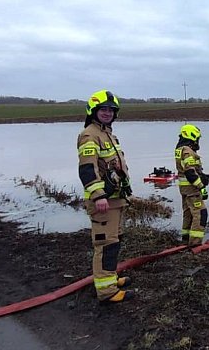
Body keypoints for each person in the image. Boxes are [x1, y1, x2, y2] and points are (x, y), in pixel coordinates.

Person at [77, 90, 133, 303]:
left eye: (111, 109)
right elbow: (87, 169)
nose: (108, 113)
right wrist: (98, 195)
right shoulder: (89, 135)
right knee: (106, 244)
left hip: (115, 199)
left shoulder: (108, 134)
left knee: (115, 241)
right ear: (94, 111)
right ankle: (107, 291)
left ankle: (109, 277)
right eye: (103, 109)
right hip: (104, 201)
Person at [174, 124, 209, 246]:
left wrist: (203, 176)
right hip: (192, 190)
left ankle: (185, 240)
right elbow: (190, 172)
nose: (198, 141)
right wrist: (202, 187)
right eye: (197, 138)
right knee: (201, 214)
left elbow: (191, 170)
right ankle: (195, 243)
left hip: (185, 189)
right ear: (192, 136)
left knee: (188, 213)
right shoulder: (187, 151)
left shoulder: (181, 149)